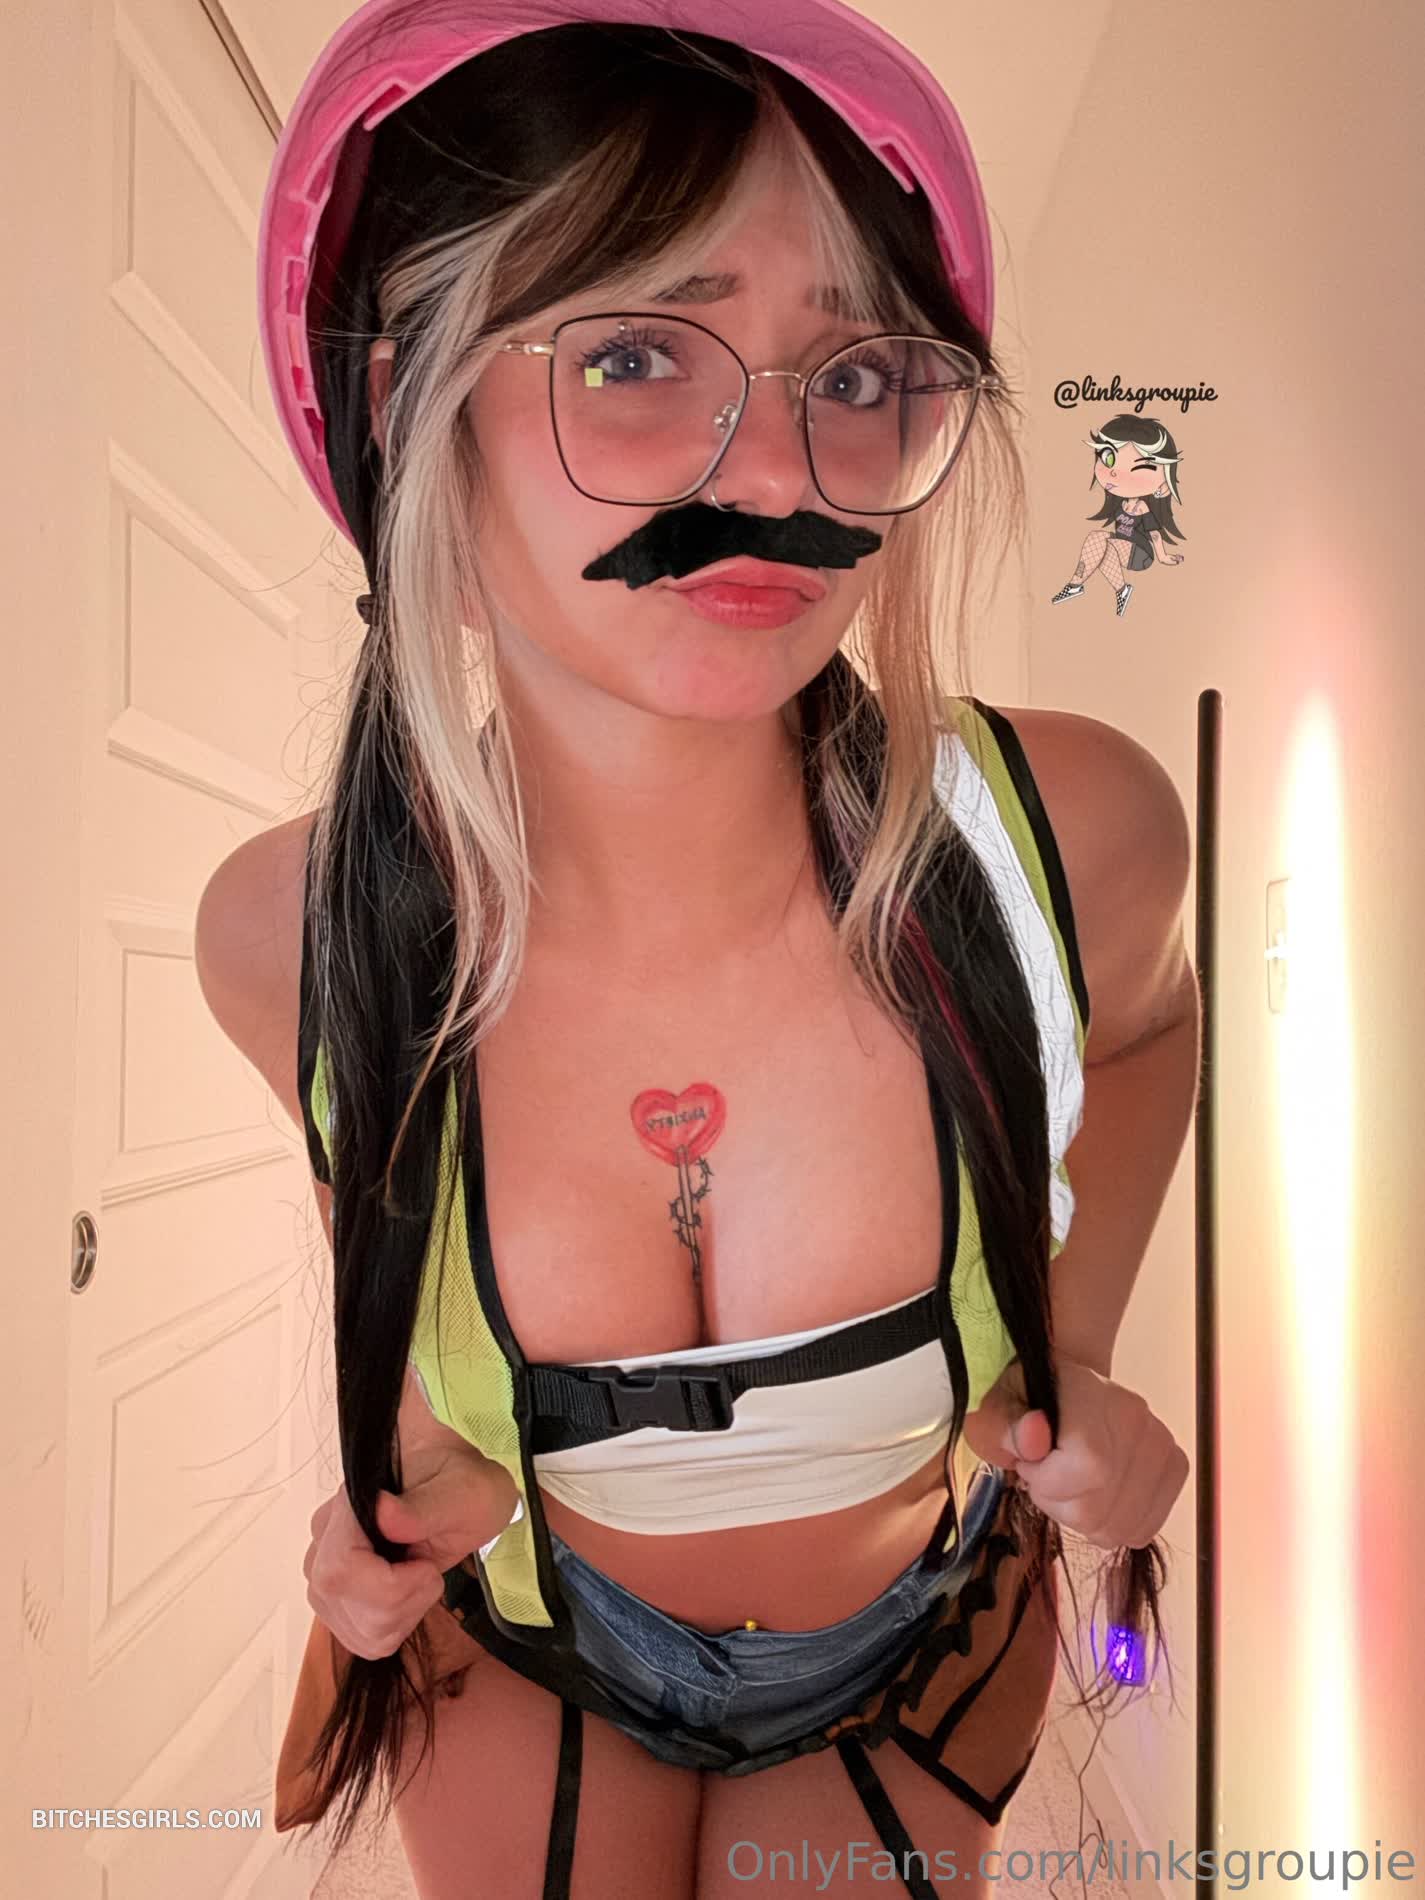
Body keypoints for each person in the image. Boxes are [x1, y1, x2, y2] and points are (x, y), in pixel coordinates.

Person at [197, 10, 1195, 1897]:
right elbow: (378, 1220)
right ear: (408, 404)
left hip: (919, 1652)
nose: (780, 468)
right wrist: (410, 1467)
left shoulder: (1069, 838)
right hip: (528, 1656)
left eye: (857, 370)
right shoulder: (294, 937)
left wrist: (1075, 1348)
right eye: (638, 353)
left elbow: (1146, 1033)